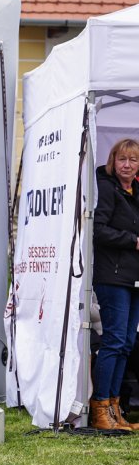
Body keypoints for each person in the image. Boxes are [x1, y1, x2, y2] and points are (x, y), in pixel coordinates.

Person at [92, 139, 139, 431]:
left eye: (133, 160)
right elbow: (98, 230)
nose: (127, 165)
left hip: (134, 279)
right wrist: (133, 241)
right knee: (114, 341)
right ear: (113, 161)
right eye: (122, 159)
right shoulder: (106, 189)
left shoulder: (135, 192)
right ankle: (100, 408)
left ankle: (115, 410)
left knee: (127, 343)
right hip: (112, 277)